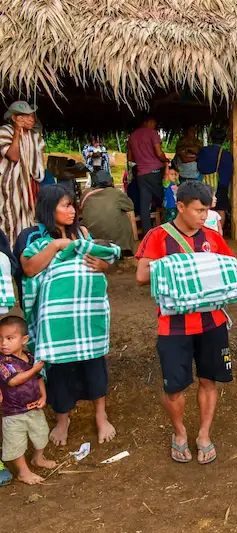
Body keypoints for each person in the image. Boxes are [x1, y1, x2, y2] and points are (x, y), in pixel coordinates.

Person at [136, 181, 235, 464]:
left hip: (211, 321)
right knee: (174, 386)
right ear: (180, 206)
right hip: (173, 325)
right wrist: (183, 268)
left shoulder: (213, 237)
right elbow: (142, 276)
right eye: (198, 210)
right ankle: (179, 433)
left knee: (208, 379)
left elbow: (229, 267)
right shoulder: (157, 236)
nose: (204, 217)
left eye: (207, 211)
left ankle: (204, 433)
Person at [21, 185, 117, 446]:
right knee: (60, 368)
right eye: (66, 205)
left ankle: (101, 414)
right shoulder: (34, 237)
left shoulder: (83, 233)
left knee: (94, 363)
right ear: (49, 209)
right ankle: (63, 419)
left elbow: (103, 259)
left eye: (73, 205)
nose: (72, 210)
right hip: (58, 317)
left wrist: (103, 264)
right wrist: (57, 245)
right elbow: (29, 269)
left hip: (87, 312)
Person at [0, 316, 57, 484]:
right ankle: (23, 472)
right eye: (0, 338)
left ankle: (38, 458)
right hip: (13, 412)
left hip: (34, 408)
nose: (4, 343)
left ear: (24, 340)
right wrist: (34, 370)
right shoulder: (3, 362)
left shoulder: (30, 357)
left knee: (41, 434)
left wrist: (44, 397)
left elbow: (40, 378)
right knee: (15, 442)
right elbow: (13, 380)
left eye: (9, 338)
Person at [0, 101, 45, 240]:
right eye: (27, 116)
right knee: (10, 220)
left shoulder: (35, 137)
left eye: (32, 116)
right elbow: (13, 156)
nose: (32, 119)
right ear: (15, 118)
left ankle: (26, 252)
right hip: (10, 187)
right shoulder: (4, 132)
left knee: (30, 219)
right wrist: (17, 131)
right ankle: (11, 253)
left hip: (29, 186)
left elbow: (38, 165)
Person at [127, 116, 169, 233]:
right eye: (154, 123)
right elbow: (159, 153)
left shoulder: (132, 136)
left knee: (144, 204)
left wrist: (142, 159)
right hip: (155, 172)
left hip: (141, 174)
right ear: (149, 121)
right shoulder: (152, 133)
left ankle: (147, 232)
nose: (155, 126)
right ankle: (170, 227)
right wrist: (166, 160)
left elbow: (130, 157)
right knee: (166, 196)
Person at [80, 170, 136, 255]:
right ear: (111, 181)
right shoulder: (116, 193)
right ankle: (127, 248)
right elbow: (130, 206)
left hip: (93, 238)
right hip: (116, 239)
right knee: (125, 214)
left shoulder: (85, 194)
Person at [197, 132, 233, 230]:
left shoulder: (203, 151)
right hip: (222, 183)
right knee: (220, 208)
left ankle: (205, 231)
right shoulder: (226, 154)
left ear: (210, 138)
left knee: (203, 206)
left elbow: (199, 166)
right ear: (225, 139)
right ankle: (218, 234)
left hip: (205, 183)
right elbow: (230, 170)